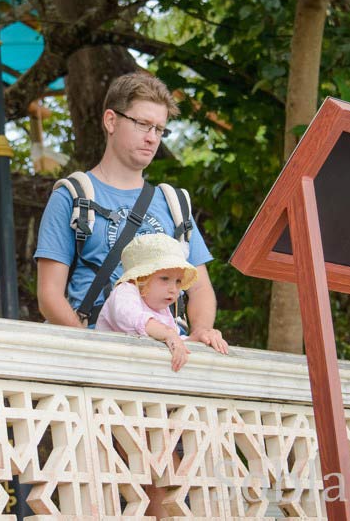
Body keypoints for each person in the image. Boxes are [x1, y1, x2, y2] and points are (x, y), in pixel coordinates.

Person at [35, 71, 228, 355]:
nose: (152, 138)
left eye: (159, 129)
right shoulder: (73, 196)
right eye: (142, 124)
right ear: (111, 120)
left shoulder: (174, 203)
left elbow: (199, 289)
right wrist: (93, 351)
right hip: (101, 352)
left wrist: (200, 332)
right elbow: (49, 296)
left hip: (170, 357)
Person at [96, 233, 196, 372]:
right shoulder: (124, 292)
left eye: (178, 281)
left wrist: (198, 338)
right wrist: (168, 334)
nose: (174, 289)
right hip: (106, 370)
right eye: (164, 278)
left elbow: (176, 341)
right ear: (140, 277)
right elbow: (131, 318)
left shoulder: (160, 307)